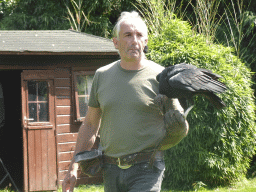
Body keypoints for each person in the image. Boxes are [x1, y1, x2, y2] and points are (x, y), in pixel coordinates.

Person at [62, 11, 188, 192]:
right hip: (111, 170)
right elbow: (90, 125)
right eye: (128, 35)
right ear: (116, 43)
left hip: (147, 168)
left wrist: (180, 128)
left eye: (139, 35)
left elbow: (180, 122)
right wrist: (73, 167)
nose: (134, 40)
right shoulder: (102, 76)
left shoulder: (162, 76)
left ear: (145, 42)